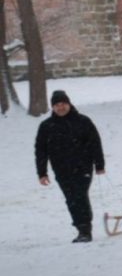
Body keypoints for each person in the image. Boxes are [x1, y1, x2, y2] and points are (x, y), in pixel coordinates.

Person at [35, 90, 106, 243]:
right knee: (71, 199)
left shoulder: (83, 121)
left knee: (79, 196)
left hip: (83, 168)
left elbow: (95, 143)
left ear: (69, 104)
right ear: (53, 107)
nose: (61, 107)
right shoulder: (47, 126)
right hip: (61, 170)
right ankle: (81, 229)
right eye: (57, 105)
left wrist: (99, 164)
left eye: (63, 104)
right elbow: (40, 151)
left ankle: (85, 230)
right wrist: (42, 173)